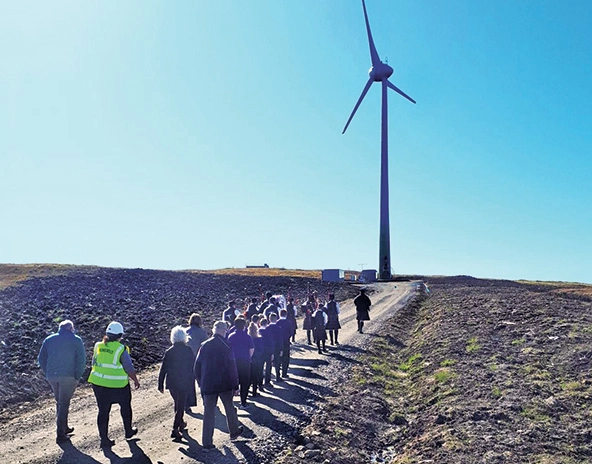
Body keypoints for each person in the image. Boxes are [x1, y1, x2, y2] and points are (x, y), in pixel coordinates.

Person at [88, 321, 140, 448]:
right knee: (125, 407)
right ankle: (128, 431)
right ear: (120, 335)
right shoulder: (121, 349)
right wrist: (135, 380)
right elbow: (128, 367)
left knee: (103, 411)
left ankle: (104, 439)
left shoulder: (97, 346)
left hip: (99, 384)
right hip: (119, 386)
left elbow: (94, 362)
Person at [194, 321, 244, 450]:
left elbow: (196, 367)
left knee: (209, 413)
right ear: (224, 330)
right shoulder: (227, 346)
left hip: (208, 385)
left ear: (213, 330)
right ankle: (234, 432)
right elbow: (232, 367)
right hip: (225, 384)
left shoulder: (203, 346)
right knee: (229, 408)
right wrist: (236, 385)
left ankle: (207, 443)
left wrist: (201, 383)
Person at [37, 320, 86, 445]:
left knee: (60, 402)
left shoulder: (49, 339)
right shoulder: (76, 340)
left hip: (52, 376)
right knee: (64, 403)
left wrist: (47, 371)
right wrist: (77, 376)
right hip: (68, 376)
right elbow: (81, 360)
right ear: (71, 328)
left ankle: (64, 427)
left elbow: (41, 358)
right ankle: (60, 435)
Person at [158, 326, 196, 441]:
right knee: (180, 406)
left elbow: (163, 369)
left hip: (172, 383)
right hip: (184, 382)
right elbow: (193, 367)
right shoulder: (188, 350)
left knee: (178, 404)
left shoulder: (169, 352)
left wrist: (160, 384)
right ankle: (175, 429)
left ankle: (181, 424)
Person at [227, 317, 254, 409]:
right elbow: (251, 349)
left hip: (233, 362)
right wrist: (248, 358)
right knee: (244, 382)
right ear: (244, 326)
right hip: (244, 362)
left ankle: (231, 402)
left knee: (232, 381)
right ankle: (243, 402)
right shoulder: (247, 337)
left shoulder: (230, 336)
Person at [185, 313, 208, 412]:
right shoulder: (202, 332)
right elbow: (206, 347)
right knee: (202, 382)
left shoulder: (184, 331)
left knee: (188, 383)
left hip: (187, 361)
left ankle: (187, 405)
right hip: (199, 361)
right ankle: (206, 402)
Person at [275, 309, 295, 378]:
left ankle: (278, 374)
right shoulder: (288, 323)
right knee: (286, 358)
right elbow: (291, 332)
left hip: (277, 343)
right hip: (286, 342)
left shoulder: (277, 322)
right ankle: (284, 373)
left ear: (280, 314)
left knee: (278, 358)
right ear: (286, 315)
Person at [248, 321, 264, 397]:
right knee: (256, 375)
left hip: (248, 360)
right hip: (257, 359)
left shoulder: (247, 338)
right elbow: (261, 350)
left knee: (248, 376)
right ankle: (255, 391)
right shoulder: (259, 339)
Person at [258, 317, 275, 389]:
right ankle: (267, 382)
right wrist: (272, 353)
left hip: (260, 353)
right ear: (266, 324)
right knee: (268, 367)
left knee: (260, 368)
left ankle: (260, 384)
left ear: (260, 324)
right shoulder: (268, 332)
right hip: (268, 353)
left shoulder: (257, 331)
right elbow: (271, 344)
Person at [267, 313, 283, 381]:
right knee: (277, 363)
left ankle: (268, 378)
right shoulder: (278, 328)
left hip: (268, 348)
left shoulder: (267, 328)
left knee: (268, 364)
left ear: (269, 319)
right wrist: (281, 349)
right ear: (276, 319)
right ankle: (278, 376)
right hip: (277, 347)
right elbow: (280, 339)